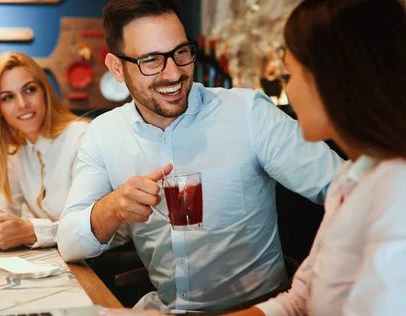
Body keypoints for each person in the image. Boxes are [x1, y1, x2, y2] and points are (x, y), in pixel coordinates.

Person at [98, 0, 406, 315]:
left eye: (290, 74)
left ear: (337, 82)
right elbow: (297, 302)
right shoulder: (351, 184)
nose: (288, 90)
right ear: (117, 68)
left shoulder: (392, 202)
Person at [56, 0, 344, 313]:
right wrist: (111, 208)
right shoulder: (104, 134)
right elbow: (69, 242)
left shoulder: (248, 113)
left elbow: (350, 190)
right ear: (116, 68)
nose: (174, 73)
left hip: (258, 310)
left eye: (181, 52)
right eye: (151, 60)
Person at [0, 52, 89, 250]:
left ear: (45, 92)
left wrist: (31, 231)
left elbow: (92, 226)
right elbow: (3, 206)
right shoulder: (16, 151)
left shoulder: (81, 137)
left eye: (29, 90)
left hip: (97, 266)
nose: (22, 104)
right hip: (58, 261)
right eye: (8, 97)